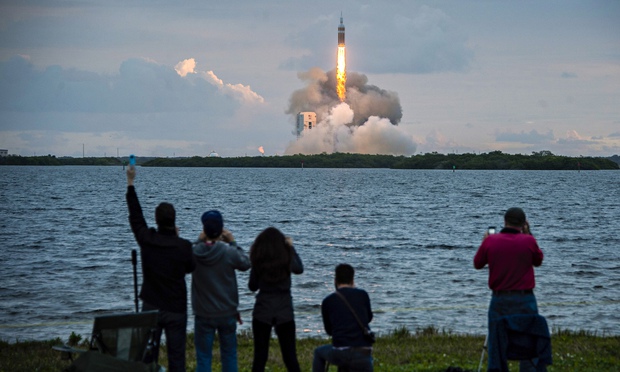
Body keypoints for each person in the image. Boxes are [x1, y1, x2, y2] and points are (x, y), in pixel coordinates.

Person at [125, 166, 196, 372]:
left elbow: (136, 217)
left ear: (156, 220)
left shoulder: (148, 240)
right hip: (176, 308)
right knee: (177, 357)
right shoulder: (183, 246)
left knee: (149, 356)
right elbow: (191, 267)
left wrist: (131, 184)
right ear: (174, 222)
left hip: (151, 306)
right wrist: (176, 237)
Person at [474, 207, 550, 372]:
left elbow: (477, 263)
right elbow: (538, 260)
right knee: (530, 339)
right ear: (523, 224)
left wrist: (484, 242)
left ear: (505, 222)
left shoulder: (491, 241)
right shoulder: (528, 241)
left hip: (500, 299)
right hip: (525, 299)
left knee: (496, 343)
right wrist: (528, 234)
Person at [192, 210, 251, 372]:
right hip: (227, 312)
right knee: (229, 354)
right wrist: (232, 242)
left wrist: (199, 240)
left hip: (203, 313)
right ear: (221, 229)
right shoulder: (228, 252)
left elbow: (184, 256)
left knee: (203, 357)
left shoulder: (196, 252)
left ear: (204, 229)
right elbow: (246, 263)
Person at [248, 227, 303, 372]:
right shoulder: (286, 258)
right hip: (284, 308)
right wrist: (290, 248)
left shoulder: (259, 259)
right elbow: (299, 268)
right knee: (290, 357)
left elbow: (252, 286)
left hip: (263, 308)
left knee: (260, 357)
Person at [313, 264, 374, 372]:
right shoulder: (363, 295)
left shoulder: (328, 301)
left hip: (341, 351)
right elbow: (368, 318)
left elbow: (329, 330)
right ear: (352, 279)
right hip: (364, 351)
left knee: (319, 352)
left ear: (335, 280)